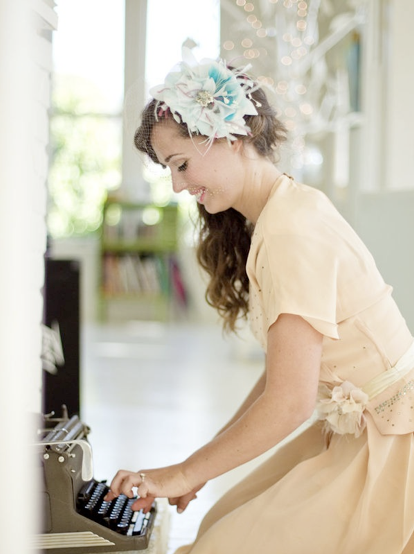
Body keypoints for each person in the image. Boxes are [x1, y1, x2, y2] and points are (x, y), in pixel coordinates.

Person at [105, 48, 414, 553]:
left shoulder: (291, 229)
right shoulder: (282, 213)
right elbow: (281, 374)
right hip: (360, 434)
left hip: (393, 445)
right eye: (170, 170)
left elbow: (290, 402)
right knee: (221, 523)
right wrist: (197, 468)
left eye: (181, 164)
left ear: (231, 137)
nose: (178, 185)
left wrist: (184, 472)